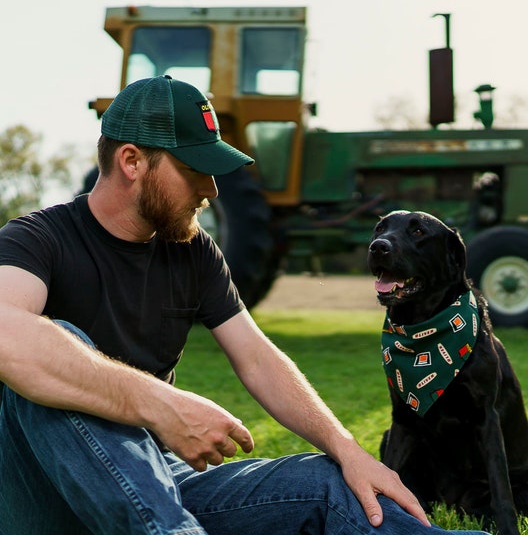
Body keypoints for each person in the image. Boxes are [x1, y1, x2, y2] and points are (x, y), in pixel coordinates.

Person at [0, 75, 491, 535]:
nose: (211, 190)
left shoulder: (191, 251)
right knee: (56, 342)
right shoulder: (36, 240)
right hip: (40, 492)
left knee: (328, 482)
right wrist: (162, 402)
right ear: (131, 161)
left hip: (152, 480)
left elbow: (258, 359)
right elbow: (7, 335)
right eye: (195, 170)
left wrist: (348, 450)